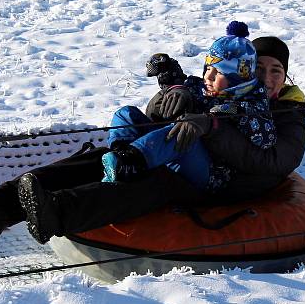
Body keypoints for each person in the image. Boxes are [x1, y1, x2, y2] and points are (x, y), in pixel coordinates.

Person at [0, 28, 305, 244]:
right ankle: (1, 205)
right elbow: (159, 114)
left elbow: (269, 161)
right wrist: (178, 95)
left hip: (221, 185)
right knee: (97, 159)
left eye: (275, 70)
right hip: (178, 152)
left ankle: (59, 213)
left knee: (149, 184)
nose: (266, 77)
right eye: (259, 67)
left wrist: (210, 126)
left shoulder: (290, 118)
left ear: (286, 77)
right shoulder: (216, 89)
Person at [99, 32, 276, 193]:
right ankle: (122, 158)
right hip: (173, 153)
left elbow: (266, 136)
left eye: (218, 72)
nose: (208, 76)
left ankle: (131, 163)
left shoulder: (253, 105)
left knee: (185, 132)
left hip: (210, 173)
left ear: (238, 77)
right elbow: (186, 85)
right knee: (126, 113)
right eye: (208, 68)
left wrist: (224, 113)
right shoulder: (204, 87)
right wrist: (173, 83)